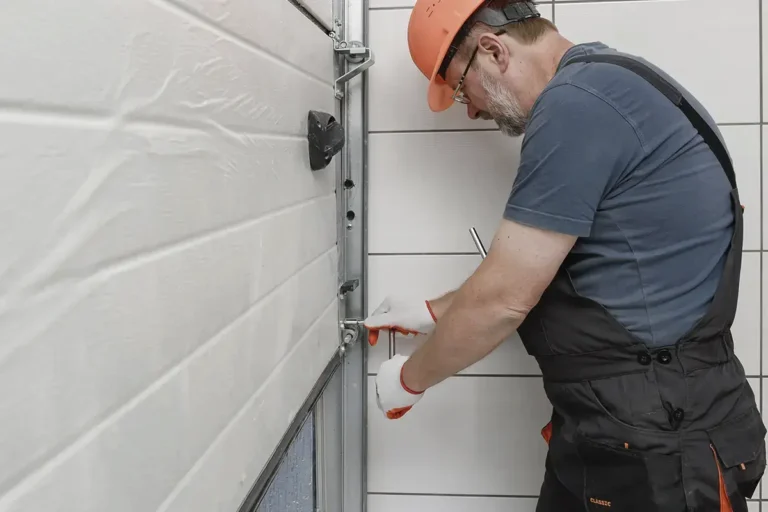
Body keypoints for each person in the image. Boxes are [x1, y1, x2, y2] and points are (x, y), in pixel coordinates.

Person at [363, 0, 767, 510]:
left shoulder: (576, 106)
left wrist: (408, 380)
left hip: (659, 445)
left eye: (463, 88)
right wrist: (429, 314)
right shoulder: (613, 84)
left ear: (492, 50)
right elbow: (570, 269)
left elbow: (504, 300)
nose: (471, 109)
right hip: (642, 427)